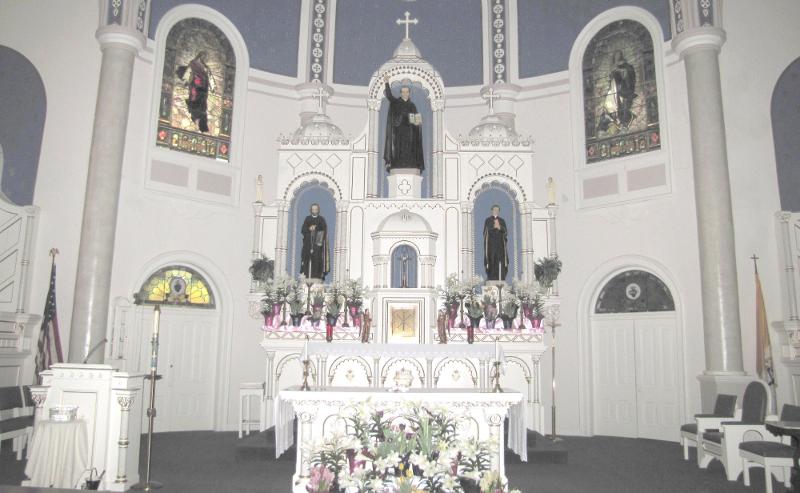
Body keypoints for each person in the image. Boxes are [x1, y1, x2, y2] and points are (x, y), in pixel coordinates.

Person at [383, 74, 424, 172]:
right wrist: (386, 83)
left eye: (407, 92)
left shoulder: (412, 105)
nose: (405, 93)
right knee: (399, 147)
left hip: (410, 132)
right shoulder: (396, 102)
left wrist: (418, 123)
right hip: (399, 131)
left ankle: (410, 162)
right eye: (403, 92)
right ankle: (398, 162)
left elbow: (417, 122)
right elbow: (389, 96)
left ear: (409, 93)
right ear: (401, 93)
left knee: (410, 147)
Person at [598, 50, 637, 132]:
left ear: (621, 56)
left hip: (623, 88)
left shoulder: (626, 65)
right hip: (614, 87)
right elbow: (610, 78)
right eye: (616, 56)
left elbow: (630, 76)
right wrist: (612, 75)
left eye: (619, 55)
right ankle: (613, 121)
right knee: (610, 103)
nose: (617, 57)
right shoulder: (613, 67)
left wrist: (623, 72)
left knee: (622, 104)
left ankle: (623, 121)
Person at [176, 51, 214, 133]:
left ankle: (202, 125)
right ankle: (201, 124)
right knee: (197, 108)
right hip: (197, 93)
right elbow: (188, 77)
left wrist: (213, 86)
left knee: (200, 108)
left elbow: (209, 79)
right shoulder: (193, 66)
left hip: (201, 92)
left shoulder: (204, 70)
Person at [300, 203, 329, 281]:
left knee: (317, 260)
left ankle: (317, 277)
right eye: (313, 209)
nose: (314, 210)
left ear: (318, 210)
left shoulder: (321, 219)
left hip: (317, 245)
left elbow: (324, 231)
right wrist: (309, 228)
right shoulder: (307, 218)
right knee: (306, 260)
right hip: (308, 244)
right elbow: (303, 230)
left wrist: (316, 229)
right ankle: (306, 277)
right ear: (311, 210)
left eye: (316, 209)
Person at [483, 205, 509, 281]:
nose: (496, 211)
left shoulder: (502, 220)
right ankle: (491, 277)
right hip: (491, 245)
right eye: (494, 209)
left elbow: (506, 232)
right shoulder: (488, 220)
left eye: (497, 210)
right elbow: (485, 232)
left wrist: (500, 227)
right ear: (492, 210)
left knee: (500, 260)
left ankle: (501, 277)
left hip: (500, 245)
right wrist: (494, 226)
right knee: (492, 260)